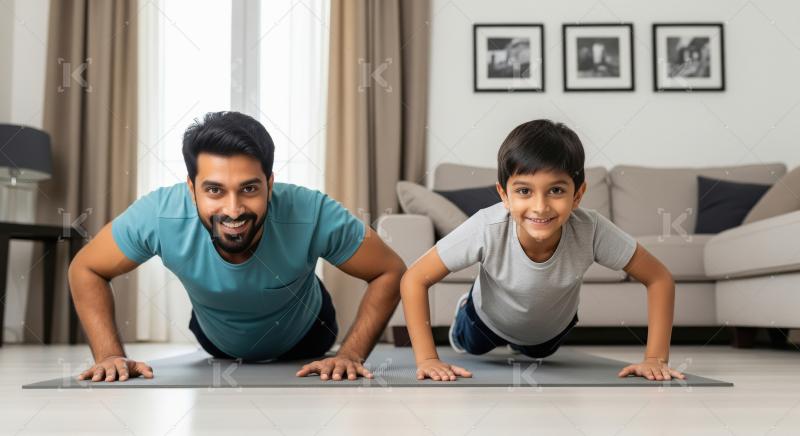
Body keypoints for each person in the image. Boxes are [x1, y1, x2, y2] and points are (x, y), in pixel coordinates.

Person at [69, 111, 406, 382]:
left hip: (308, 334)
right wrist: (109, 355)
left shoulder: (311, 212)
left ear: (270, 184)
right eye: (214, 190)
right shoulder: (159, 214)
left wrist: (350, 354)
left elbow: (389, 271)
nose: (233, 210)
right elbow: (87, 268)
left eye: (248, 189)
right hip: (217, 340)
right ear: (191, 187)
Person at [399, 119, 686, 382]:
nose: (540, 206)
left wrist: (655, 359)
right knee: (471, 346)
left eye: (556, 191)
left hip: (547, 334)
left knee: (538, 355)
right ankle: (468, 305)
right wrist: (427, 359)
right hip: (485, 321)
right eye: (524, 191)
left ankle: (524, 339)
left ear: (578, 195)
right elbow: (414, 278)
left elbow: (659, 278)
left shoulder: (592, 229)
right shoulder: (487, 226)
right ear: (504, 195)